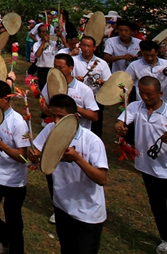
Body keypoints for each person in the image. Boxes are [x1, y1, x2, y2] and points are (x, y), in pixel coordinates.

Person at [114, 77, 167, 254]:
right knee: (157, 207)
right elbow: (121, 121)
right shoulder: (136, 107)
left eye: (149, 94)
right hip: (148, 168)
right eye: (141, 93)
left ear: (160, 93)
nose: (145, 97)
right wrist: (119, 126)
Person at [29, 94, 109, 254]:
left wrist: (78, 158)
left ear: (75, 117)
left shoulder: (92, 142)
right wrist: (34, 156)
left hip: (87, 213)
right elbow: (37, 153)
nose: (57, 121)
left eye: (61, 117)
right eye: (53, 116)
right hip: (62, 206)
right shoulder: (50, 130)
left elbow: (102, 179)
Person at [0, 81, 30, 254]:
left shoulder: (17, 123)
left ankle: (15, 247)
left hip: (13, 182)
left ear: (6, 98)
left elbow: (22, 157)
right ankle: (6, 239)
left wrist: (2, 145)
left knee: (14, 221)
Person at [41, 54, 100, 131]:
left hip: (78, 133)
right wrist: (46, 110)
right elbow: (42, 102)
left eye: (61, 67)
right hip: (56, 131)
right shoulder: (50, 84)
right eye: (55, 67)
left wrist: (75, 108)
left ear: (71, 68)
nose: (57, 70)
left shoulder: (84, 90)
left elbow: (94, 117)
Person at [73, 36, 109, 136]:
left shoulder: (102, 63)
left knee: (96, 123)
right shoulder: (73, 61)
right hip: (78, 96)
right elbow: (65, 78)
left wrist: (102, 82)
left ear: (94, 48)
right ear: (79, 46)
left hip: (96, 97)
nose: (86, 48)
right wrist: (74, 78)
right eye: (83, 45)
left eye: (89, 46)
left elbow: (108, 82)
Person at [125, 39, 167, 107]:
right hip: (144, 104)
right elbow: (126, 84)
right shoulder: (134, 66)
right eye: (146, 55)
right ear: (141, 52)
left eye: (152, 55)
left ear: (157, 52)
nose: (149, 58)